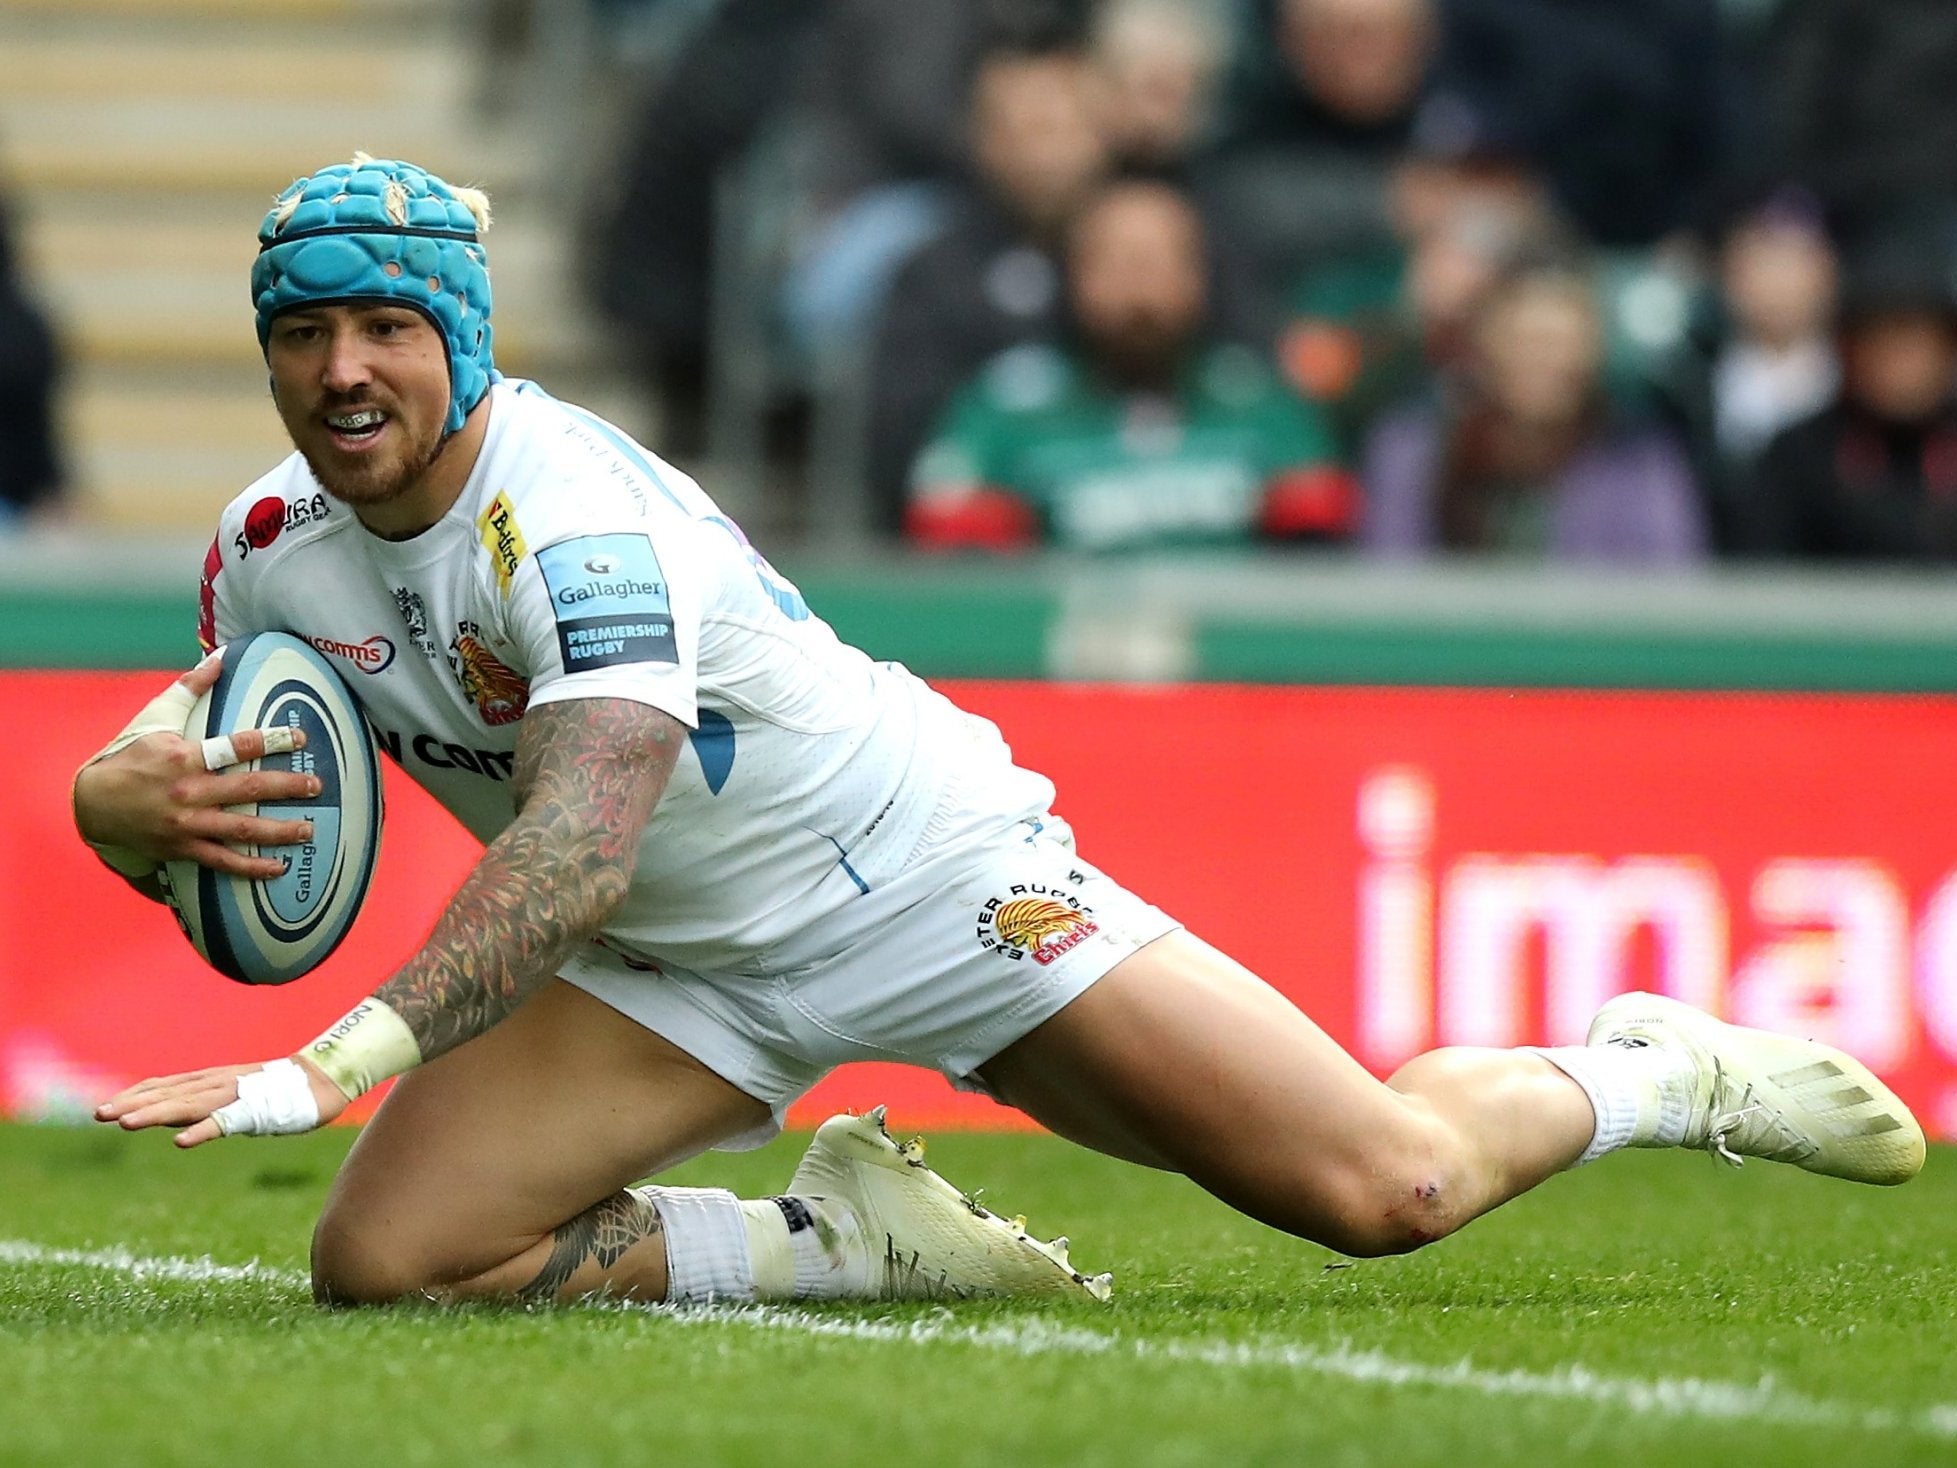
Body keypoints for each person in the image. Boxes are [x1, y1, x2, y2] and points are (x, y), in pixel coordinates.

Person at [72, 157, 1924, 1313]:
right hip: (667, 962)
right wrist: (112, 798)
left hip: (917, 874)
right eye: (304, 335)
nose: (342, 373)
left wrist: (324, 1067)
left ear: (464, 342)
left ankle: (1655, 1074)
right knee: (381, 1260)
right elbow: (215, 760)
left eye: (387, 326)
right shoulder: (267, 547)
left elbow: (576, 841)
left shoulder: (570, 520)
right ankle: (833, 1245)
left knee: (1387, 1189)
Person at [906, 174, 1356, 551]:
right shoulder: (1005, 409)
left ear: (1199, 276)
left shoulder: (1262, 402)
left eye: (1159, 263)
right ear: (1074, 274)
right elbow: (953, 556)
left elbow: (1316, 554)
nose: (1139, 292)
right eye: (1117, 263)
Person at [1361, 255, 1708, 562]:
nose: (1546, 362)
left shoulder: (1640, 464)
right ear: (1485, 346)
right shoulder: (1414, 453)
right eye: (1529, 341)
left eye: (1565, 343)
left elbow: (1671, 592)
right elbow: (1389, 580)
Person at [1741, 230, 1957, 560]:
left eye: (1915, 342)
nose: (1900, 362)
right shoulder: (1796, 456)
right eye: (1882, 343)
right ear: (1849, 352)